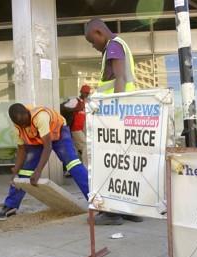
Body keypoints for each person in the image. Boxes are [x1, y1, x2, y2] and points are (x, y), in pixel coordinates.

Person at [85, 18, 143, 225]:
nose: (93, 46)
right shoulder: (119, 45)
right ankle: (129, 209)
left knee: (110, 162)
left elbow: (119, 78)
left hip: (117, 114)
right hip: (125, 113)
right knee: (124, 163)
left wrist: (115, 114)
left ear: (99, 32)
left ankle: (112, 212)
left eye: (92, 41)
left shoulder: (114, 47)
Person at [0, 103, 89, 220]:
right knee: (25, 172)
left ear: (27, 113)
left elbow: (48, 146)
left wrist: (38, 171)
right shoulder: (17, 127)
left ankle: (95, 202)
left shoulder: (40, 117)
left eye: (26, 122)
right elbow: (22, 149)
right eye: (21, 125)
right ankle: (11, 206)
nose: (25, 126)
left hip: (58, 132)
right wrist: (16, 170)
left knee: (73, 164)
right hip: (37, 139)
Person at [60, 84, 91, 164]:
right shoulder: (75, 101)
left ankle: (73, 168)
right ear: (81, 92)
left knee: (75, 149)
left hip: (80, 129)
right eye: (85, 93)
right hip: (75, 129)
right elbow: (62, 107)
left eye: (87, 93)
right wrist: (74, 109)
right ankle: (86, 168)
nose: (86, 94)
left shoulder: (85, 103)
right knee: (85, 146)